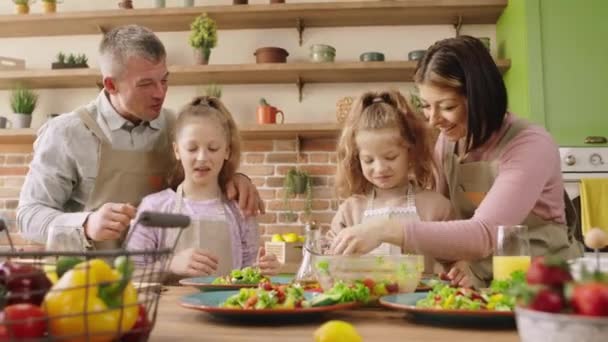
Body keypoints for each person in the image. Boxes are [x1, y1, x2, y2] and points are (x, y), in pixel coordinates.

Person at [329, 36, 583, 287]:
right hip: (482, 280)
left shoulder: (529, 145)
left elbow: (483, 233)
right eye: (427, 106)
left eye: (447, 107)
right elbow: (442, 224)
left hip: (542, 284)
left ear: (481, 97)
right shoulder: (449, 141)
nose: (432, 120)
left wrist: (385, 230)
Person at [17, 25, 263, 252]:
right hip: (85, 284)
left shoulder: (175, 127)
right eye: (145, 84)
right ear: (111, 84)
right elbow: (27, 216)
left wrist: (235, 178)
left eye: (164, 80)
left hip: (157, 282)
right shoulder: (67, 133)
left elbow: (201, 177)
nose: (160, 93)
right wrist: (86, 224)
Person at [127, 96, 279, 278]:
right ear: (177, 151)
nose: (202, 157)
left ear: (227, 151)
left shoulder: (240, 209)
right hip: (170, 307)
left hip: (224, 305)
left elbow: (249, 277)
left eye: (213, 148)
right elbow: (128, 274)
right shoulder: (153, 208)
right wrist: (169, 264)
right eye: (192, 148)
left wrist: (263, 271)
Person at [330, 89, 454, 276]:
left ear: (410, 153)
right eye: (368, 160)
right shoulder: (350, 211)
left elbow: (457, 259)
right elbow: (328, 259)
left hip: (420, 303)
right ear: (357, 160)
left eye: (390, 157)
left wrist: (459, 268)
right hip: (362, 304)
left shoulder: (437, 207)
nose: (380, 169)